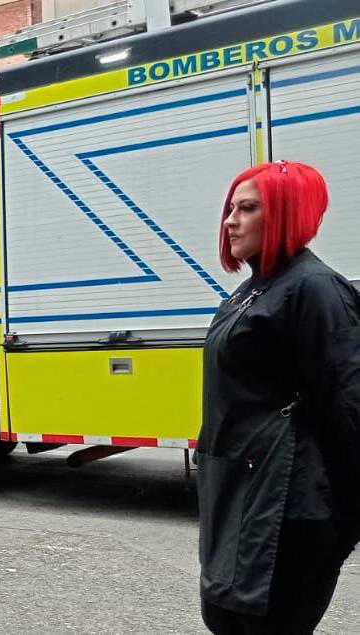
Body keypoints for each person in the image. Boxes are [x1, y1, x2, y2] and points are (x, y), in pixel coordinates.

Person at [199, 161, 360, 634]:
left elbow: (348, 407)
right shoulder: (250, 292)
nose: (229, 220)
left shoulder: (315, 289)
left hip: (288, 505)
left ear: (287, 215)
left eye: (247, 208)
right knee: (224, 618)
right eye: (231, 208)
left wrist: (345, 519)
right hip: (239, 495)